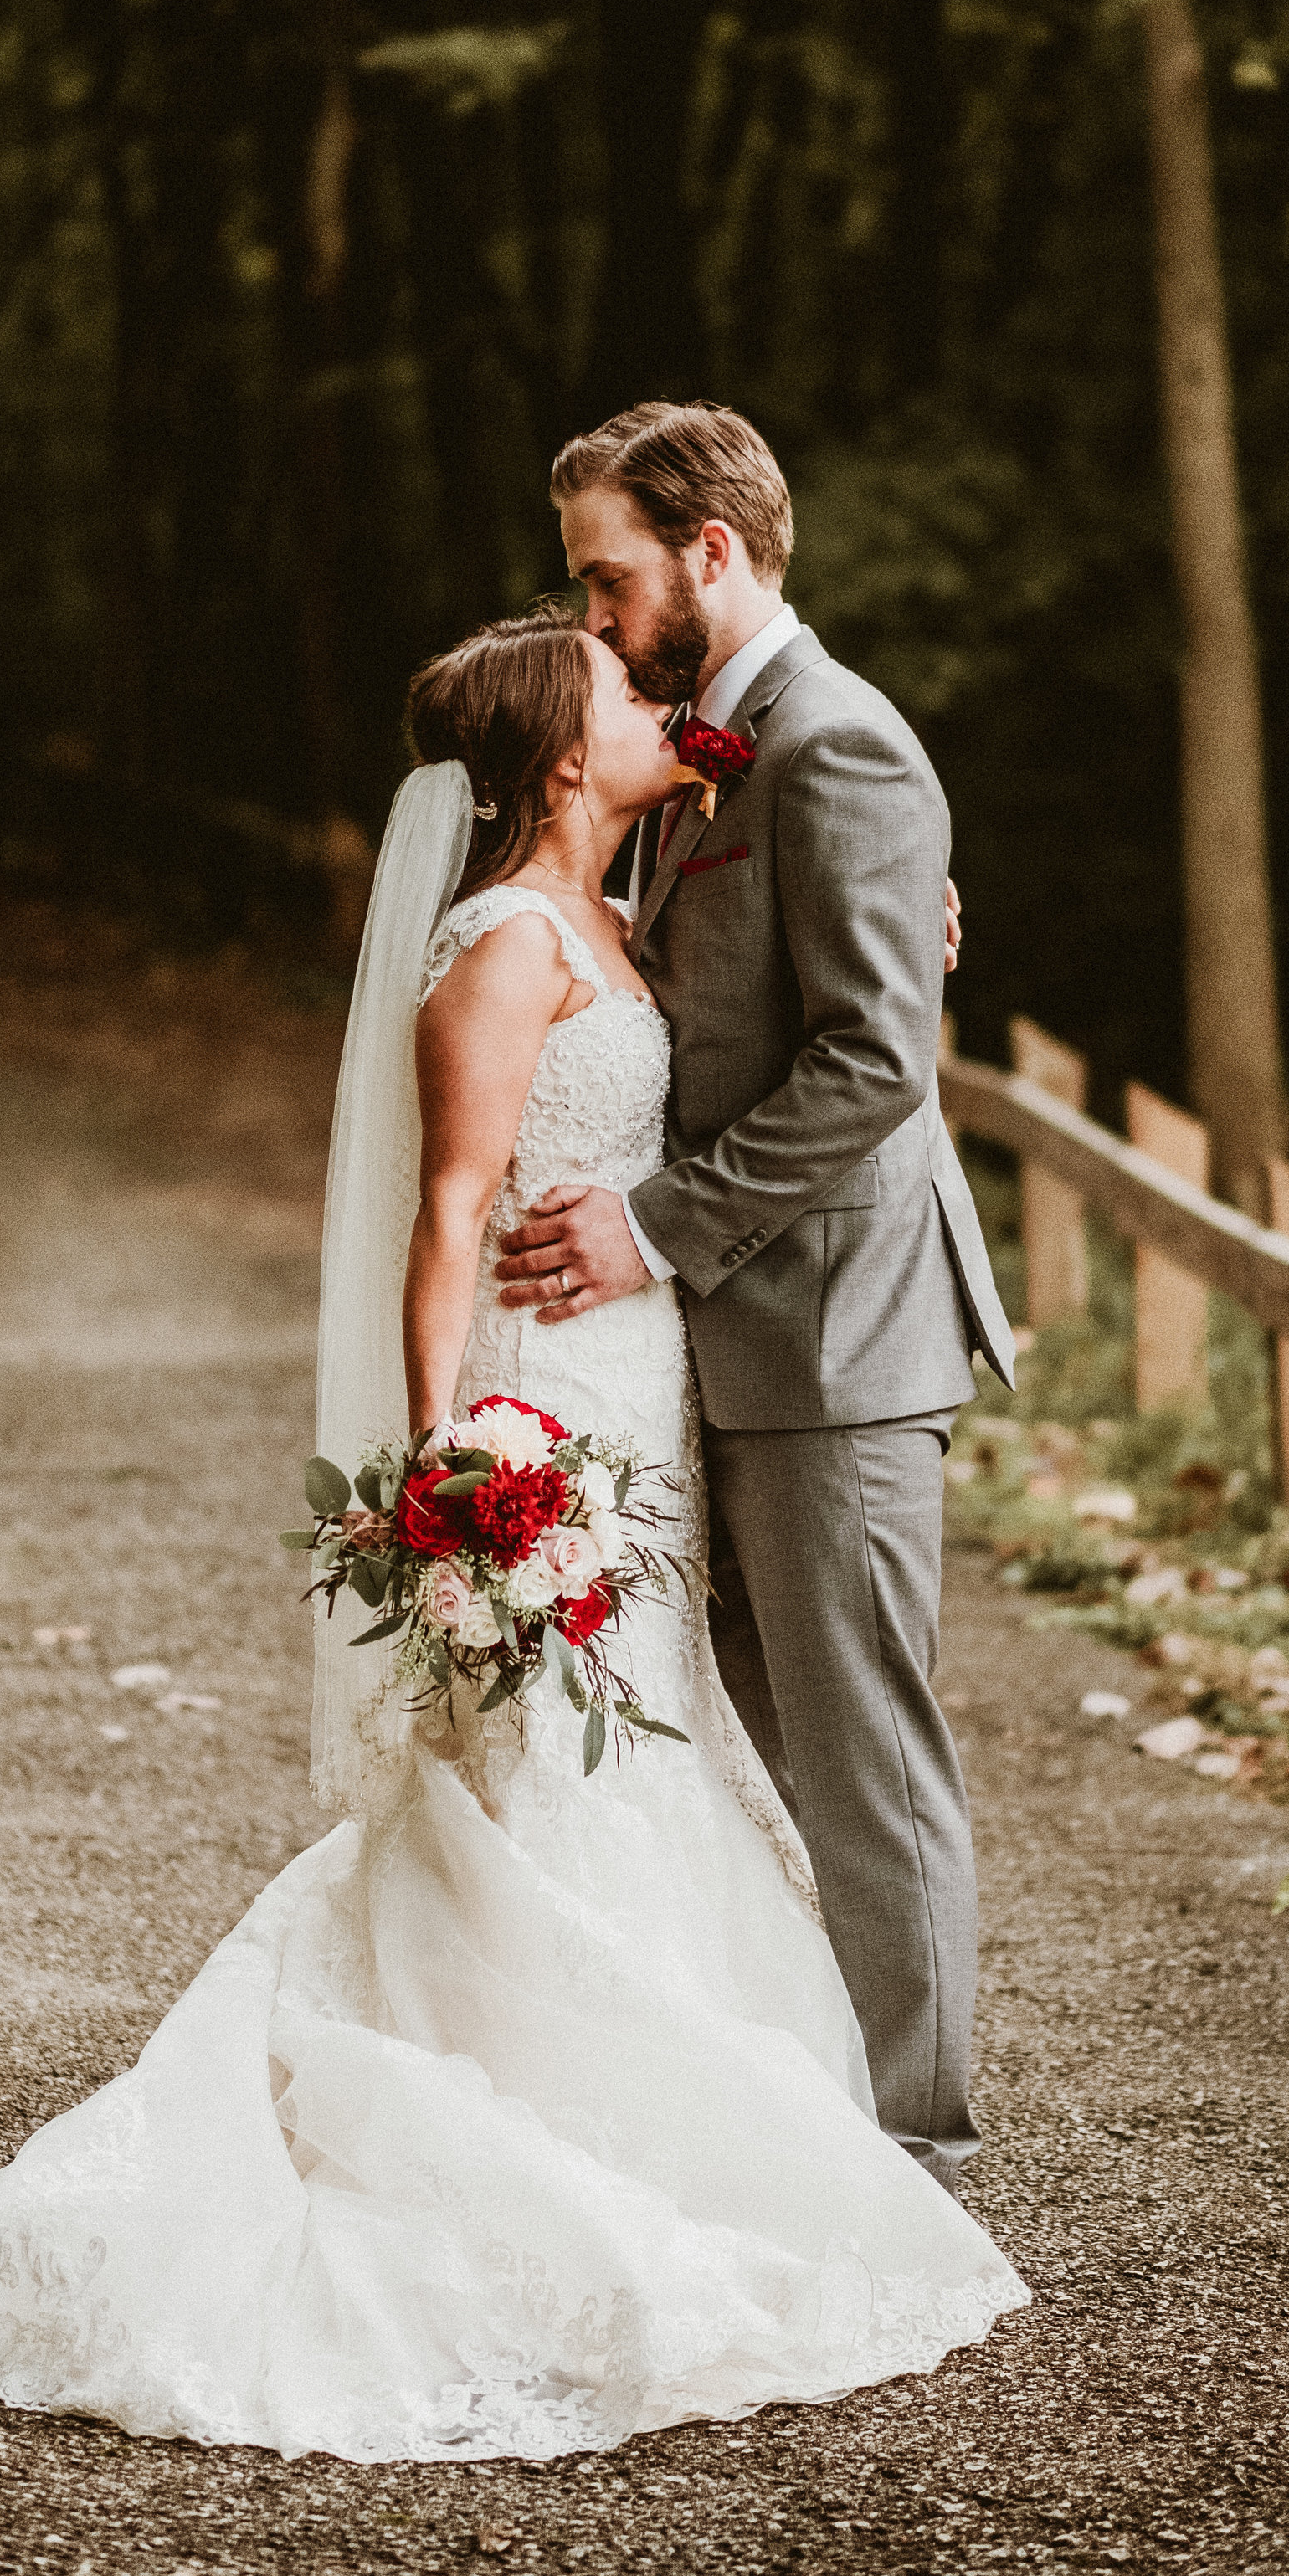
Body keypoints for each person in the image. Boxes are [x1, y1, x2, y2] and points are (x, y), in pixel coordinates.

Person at [0, 589, 1026, 2464]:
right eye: (632, 693)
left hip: (657, 1396)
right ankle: (528, 2124)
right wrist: (449, 1461)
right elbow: (447, 1211)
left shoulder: (627, 913)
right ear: (566, 753)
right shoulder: (494, 942)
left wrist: (914, 931)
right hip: (546, 1396)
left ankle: (676, 2116)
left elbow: (798, 1000)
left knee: (666, 1748)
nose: (665, 706)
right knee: (544, 1760)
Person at [496, 402, 1019, 2189]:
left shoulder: (840, 747)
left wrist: (651, 1227)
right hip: (729, 1339)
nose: (590, 618)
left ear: (707, 555)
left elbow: (874, 1060)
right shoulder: (709, 753)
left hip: (835, 1327)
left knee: (858, 1747)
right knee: (761, 1727)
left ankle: (915, 2142)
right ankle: (819, 2095)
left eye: (608, 578)